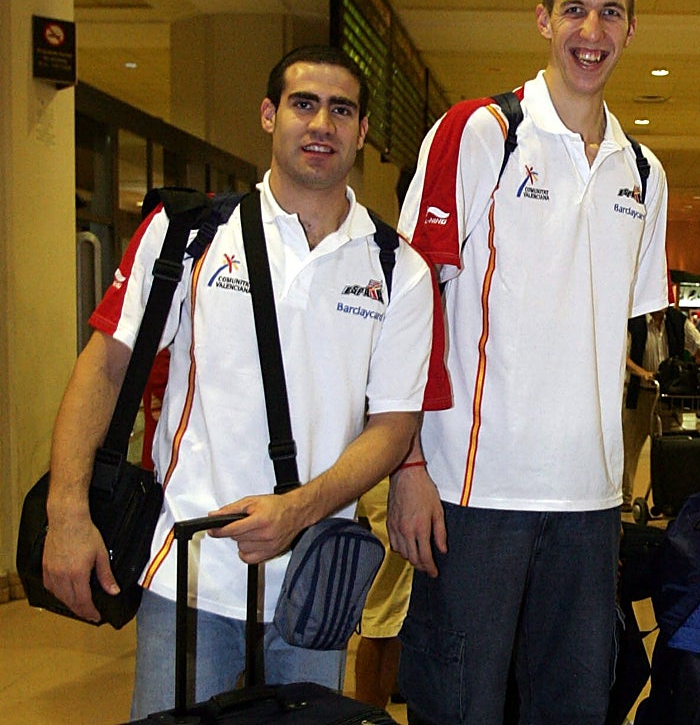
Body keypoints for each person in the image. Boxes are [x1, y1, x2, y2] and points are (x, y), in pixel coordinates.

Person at [41, 45, 450, 717]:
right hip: (188, 574)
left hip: (313, 585)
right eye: (303, 104)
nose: (321, 124)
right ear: (268, 115)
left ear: (362, 132)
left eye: (341, 110)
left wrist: (299, 509)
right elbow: (104, 367)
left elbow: (394, 426)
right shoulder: (189, 234)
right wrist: (66, 512)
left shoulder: (397, 269)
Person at [391, 0, 668, 725]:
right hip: (473, 491)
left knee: (574, 708)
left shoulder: (644, 173)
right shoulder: (481, 132)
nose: (592, 31)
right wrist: (407, 463)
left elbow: (612, 329)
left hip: (589, 501)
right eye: (574, 10)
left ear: (630, 29)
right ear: (544, 20)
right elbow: (409, 305)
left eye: (610, 13)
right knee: (459, 708)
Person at [623, 307, 700, 509]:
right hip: (639, 394)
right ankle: (625, 498)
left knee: (672, 448)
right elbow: (622, 356)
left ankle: (670, 498)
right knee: (629, 448)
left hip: (668, 397)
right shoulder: (634, 321)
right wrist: (642, 372)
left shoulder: (677, 320)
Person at [351, 478, 414, 708]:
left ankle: (391, 690)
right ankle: (367, 714)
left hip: (393, 479)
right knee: (385, 614)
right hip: (394, 479)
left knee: (393, 609)